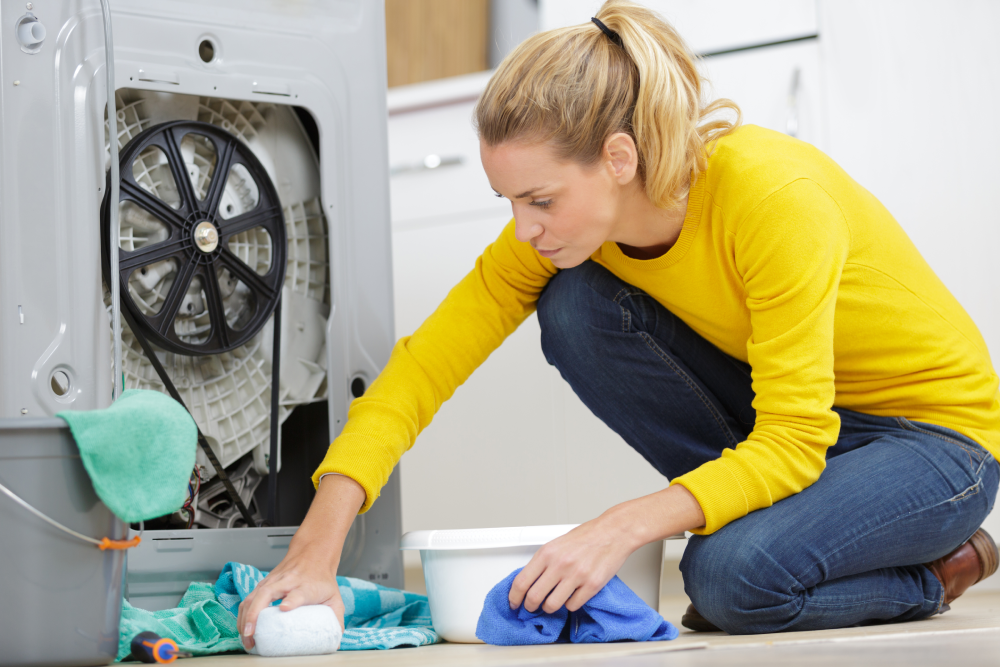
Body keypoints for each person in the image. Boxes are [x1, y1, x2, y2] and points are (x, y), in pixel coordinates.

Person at [238, 0, 1000, 644]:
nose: (524, 228)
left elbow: (795, 440)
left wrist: (617, 526)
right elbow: (421, 369)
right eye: (509, 202)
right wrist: (315, 549)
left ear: (619, 157)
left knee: (728, 583)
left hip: (932, 442)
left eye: (539, 199)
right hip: (810, 430)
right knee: (573, 306)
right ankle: (774, 534)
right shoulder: (563, 235)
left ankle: (940, 569)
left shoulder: (772, 199)